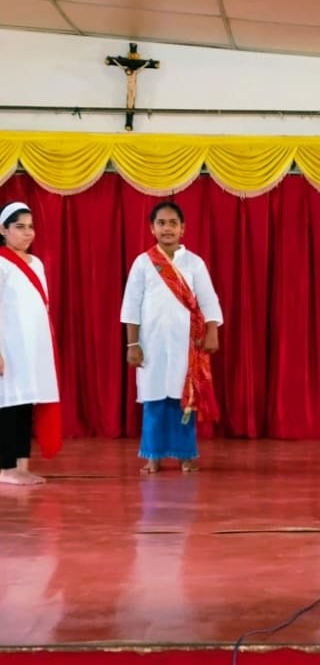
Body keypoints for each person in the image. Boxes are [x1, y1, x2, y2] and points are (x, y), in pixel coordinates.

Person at [120, 200, 222, 473]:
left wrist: (212, 331)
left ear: (182, 228)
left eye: (173, 223)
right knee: (154, 398)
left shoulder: (194, 263)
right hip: (150, 344)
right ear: (152, 228)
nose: (167, 228)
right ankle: (153, 456)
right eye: (161, 223)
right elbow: (131, 306)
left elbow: (209, 300)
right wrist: (133, 344)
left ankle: (185, 455)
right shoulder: (143, 263)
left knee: (184, 398)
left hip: (187, 344)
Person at [0, 200, 62, 487]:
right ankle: (6, 468)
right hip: (9, 347)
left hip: (33, 347)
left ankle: (22, 466)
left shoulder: (36, 263)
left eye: (31, 227)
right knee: (9, 403)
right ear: (3, 230)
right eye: (19, 227)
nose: (28, 233)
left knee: (26, 403)